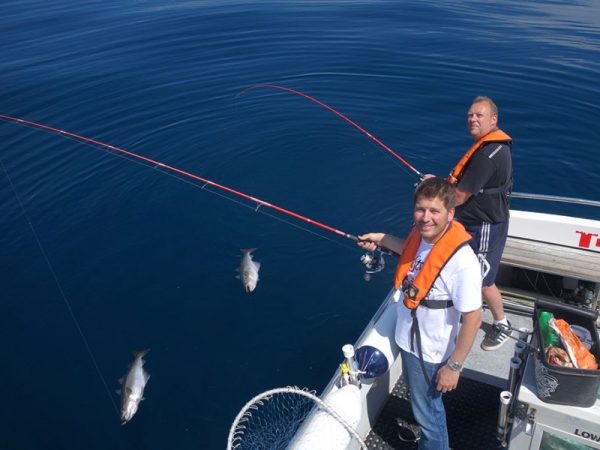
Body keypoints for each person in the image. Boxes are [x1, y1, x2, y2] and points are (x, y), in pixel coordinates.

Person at [358, 177, 482, 450]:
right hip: (410, 338)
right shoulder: (425, 236)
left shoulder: (462, 262)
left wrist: (454, 366)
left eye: (434, 211)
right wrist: (380, 239)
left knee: (428, 413)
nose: (426, 218)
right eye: (420, 209)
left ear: (450, 214)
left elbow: (474, 317)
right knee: (423, 404)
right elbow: (410, 250)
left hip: (428, 350)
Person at [450, 96, 513, 351]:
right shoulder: (495, 148)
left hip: (484, 226)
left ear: (493, 120)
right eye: (470, 115)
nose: (473, 119)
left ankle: (502, 324)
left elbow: (459, 196)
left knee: (483, 281)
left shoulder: (487, 155)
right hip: (473, 221)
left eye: (479, 115)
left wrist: (431, 189)